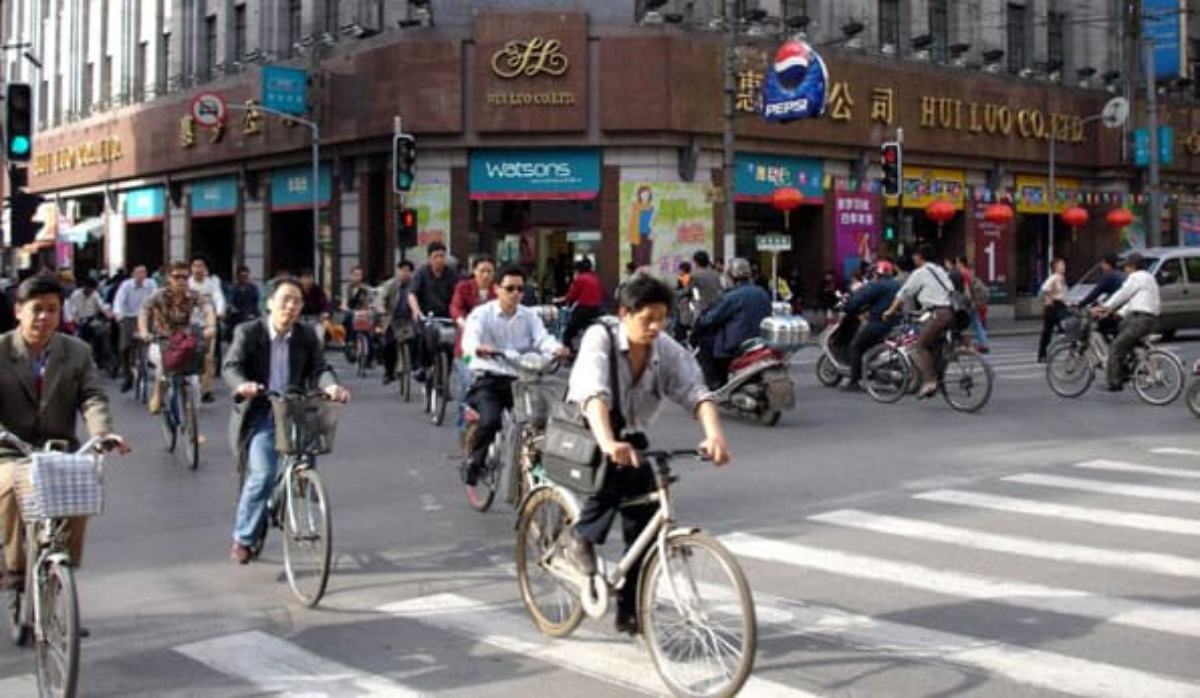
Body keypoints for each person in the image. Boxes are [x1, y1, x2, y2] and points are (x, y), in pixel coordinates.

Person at [564, 274, 731, 636]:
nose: (656, 326)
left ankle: (631, 609)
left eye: (662, 317)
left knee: (644, 521)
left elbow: (695, 390)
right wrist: (608, 442)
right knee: (614, 472)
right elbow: (593, 395)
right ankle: (582, 537)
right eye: (647, 319)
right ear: (624, 313)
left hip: (631, 435)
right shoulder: (600, 338)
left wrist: (714, 435)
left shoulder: (664, 347)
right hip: (590, 428)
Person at [0, 274, 131, 592]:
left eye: (52, 309)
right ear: (19, 310)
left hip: (57, 448)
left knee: (80, 486)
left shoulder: (77, 351)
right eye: (37, 309)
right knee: (14, 487)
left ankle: (62, 584)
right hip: (9, 449)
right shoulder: (1, 350)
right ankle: (15, 568)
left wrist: (103, 433)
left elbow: (92, 396)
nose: (45, 317)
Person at [223, 278, 350, 564]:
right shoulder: (248, 332)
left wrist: (331, 386)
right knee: (263, 474)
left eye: (297, 301)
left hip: (294, 411)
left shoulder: (306, 335)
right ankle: (243, 537)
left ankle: (291, 495)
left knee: (306, 461)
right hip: (261, 415)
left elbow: (320, 368)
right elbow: (231, 366)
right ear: (269, 303)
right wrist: (243, 385)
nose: (290, 307)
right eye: (285, 300)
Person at [460, 265, 567, 489]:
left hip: (522, 380)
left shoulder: (529, 315)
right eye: (510, 288)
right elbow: (469, 339)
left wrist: (556, 349)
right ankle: (474, 462)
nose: (516, 294)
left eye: (520, 289)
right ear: (497, 289)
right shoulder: (482, 315)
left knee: (539, 423)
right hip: (489, 378)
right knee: (491, 420)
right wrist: (478, 348)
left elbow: (542, 339)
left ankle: (534, 472)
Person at [139, 260, 217, 415]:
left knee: (197, 370)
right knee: (163, 364)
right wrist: (144, 331)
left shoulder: (192, 295)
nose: (181, 281)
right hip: (161, 341)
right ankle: (158, 394)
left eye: (184, 277)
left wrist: (211, 326)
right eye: (177, 277)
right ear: (169, 278)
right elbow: (144, 311)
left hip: (183, 342)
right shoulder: (158, 295)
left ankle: (192, 421)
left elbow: (207, 308)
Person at [882, 244, 955, 398]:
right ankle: (937, 379)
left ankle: (930, 381)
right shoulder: (940, 270)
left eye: (915, 255)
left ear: (920, 257)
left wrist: (889, 311)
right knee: (933, 346)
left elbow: (903, 294)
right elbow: (944, 292)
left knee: (917, 347)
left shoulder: (920, 273)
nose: (913, 258)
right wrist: (922, 310)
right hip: (950, 312)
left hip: (938, 314)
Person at [693, 258, 772, 389]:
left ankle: (717, 384)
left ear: (732, 276)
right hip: (760, 340)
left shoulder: (733, 296)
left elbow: (712, 318)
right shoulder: (762, 292)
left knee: (706, 348)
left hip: (736, 345)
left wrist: (702, 320)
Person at [1093, 253, 1160, 392]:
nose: (1124, 270)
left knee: (1115, 347)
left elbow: (1123, 293)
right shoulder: (1149, 278)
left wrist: (1105, 307)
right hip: (1150, 319)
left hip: (1139, 320)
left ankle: (1114, 382)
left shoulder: (1136, 277)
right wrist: (1118, 313)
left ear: (1132, 266)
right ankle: (1126, 368)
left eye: (1126, 267)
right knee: (1124, 338)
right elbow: (1133, 301)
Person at [450, 257, 498, 428]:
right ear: (474, 271)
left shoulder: (497, 291)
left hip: (491, 350)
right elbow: (456, 308)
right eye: (482, 271)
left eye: (489, 271)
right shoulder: (464, 287)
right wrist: (464, 324)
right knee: (469, 382)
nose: (485, 275)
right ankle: (463, 427)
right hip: (466, 352)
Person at [841, 260, 901, 391]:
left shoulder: (877, 285)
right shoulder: (897, 285)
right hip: (896, 324)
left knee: (855, 347)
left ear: (877, 273)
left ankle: (854, 382)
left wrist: (849, 306)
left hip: (879, 324)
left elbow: (859, 299)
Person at [408, 241, 458, 382]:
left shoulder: (451, 274)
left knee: (449, 348)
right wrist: (416, 310)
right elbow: (412, 294)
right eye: (436, 256)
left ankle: (443, 380)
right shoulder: (422, 273)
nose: (439, 260)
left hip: (446, 316)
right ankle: (421, 367)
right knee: (421, 337)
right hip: (427, 315)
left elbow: (458, 294)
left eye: (442, 256)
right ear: (429, 258)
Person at [113, 265, 157, 392]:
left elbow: (155, 299)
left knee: (146, 343)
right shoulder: (126, 286)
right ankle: (128, 376)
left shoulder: (151, 284)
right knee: (124, 348)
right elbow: (118, 301)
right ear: (133, 275)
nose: (141, 276)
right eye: (138, 273)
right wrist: (118, 314)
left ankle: (144, 367)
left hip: (145, 316)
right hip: (129, 317)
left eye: (144, 273)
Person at [189, 257, 227, 403]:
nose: (198, 269)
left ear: (205, 268)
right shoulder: (187, 284)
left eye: (201, 266)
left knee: (208, 358)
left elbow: (219, 298)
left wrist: (220, 311)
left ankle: (207, 390)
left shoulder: (212, 283)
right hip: (191, 325)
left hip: (208, 325)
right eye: (195, 266)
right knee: (190, 355)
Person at [554, 258, 605, 351]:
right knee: (589, 331)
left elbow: (571, 295)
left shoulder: (580, 279)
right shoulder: (595, 278)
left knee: (568, 333)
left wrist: (559, 300)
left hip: (583, 310)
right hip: (596, 310)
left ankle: (568, 353)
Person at [379, 260, 416, 385]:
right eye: (402, 270)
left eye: (408, 271)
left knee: (418, 340)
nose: (405, 274)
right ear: (398, 271)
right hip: (393, 319)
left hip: (410, 319)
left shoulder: (415, 284)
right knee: (388, 344)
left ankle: (416, 367)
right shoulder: (390, 285)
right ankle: (389, 372)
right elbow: (381, 299)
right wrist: (382, 309)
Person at [65, 276, 114, 363]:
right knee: (79, 336)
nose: (91, 292)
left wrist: (108, 314)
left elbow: (101, 306)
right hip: (79, 320)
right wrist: (77, 320)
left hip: (92, 319)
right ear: (85, 287)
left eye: (92, 290)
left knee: (101, 332)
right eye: (89, 289)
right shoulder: (76, 295)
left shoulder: (95, 294)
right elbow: (72, 310)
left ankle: (101, 357)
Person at [341, 266, 375, 365]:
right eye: (355, 275)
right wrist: (345, 308)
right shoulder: (347, 288)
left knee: (368, 333)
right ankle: (350, 343)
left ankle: (370, 358)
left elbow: (371, 301)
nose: (357, 277)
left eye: (359, 275)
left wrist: (370, 309)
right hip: (352, 312)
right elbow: (344, 302)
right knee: (348, 320)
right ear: (351, 276)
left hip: (364, 313)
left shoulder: (366, 289)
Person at [955, 256, 990, 353]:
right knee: (976, 324)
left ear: (961, 263)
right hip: (973, 303)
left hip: (970, 304)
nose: (956, 265)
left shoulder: (963, 273)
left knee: (959, 324)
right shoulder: (968, 272)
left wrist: (968, 302)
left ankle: (965, 344)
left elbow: (967, 291)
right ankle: (983, 344)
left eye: (957, 262)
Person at [1037, 257, 1068, 363]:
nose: (1063, 267)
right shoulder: (1054, 277)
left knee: (1065, 330)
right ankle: (1042, 355)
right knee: (1047, 332)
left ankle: (1069, 354)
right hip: (1053, 307)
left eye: (1063, 264)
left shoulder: (1061, 278)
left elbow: (1063, 294)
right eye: (1061, 265)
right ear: (1055, 267)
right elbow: (1044, 289)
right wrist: (1049, 298)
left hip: (1061, 306)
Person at [689, 250, 723, 316]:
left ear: (696, 262)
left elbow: (689, 290)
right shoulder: (715, 273)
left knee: (691, 305)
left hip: (702, 308)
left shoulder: (695, 274)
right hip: (716, 307)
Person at [227, 265, 262, 331]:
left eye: (245, 276)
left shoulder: (253, 288)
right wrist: (233, 309)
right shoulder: (233, 288)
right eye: (241, 276)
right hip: (237, 316)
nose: (243, 278)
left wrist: (252, 313)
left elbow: (256, 302)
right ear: (237, 277)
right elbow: (231, 302)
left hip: (252, 314)